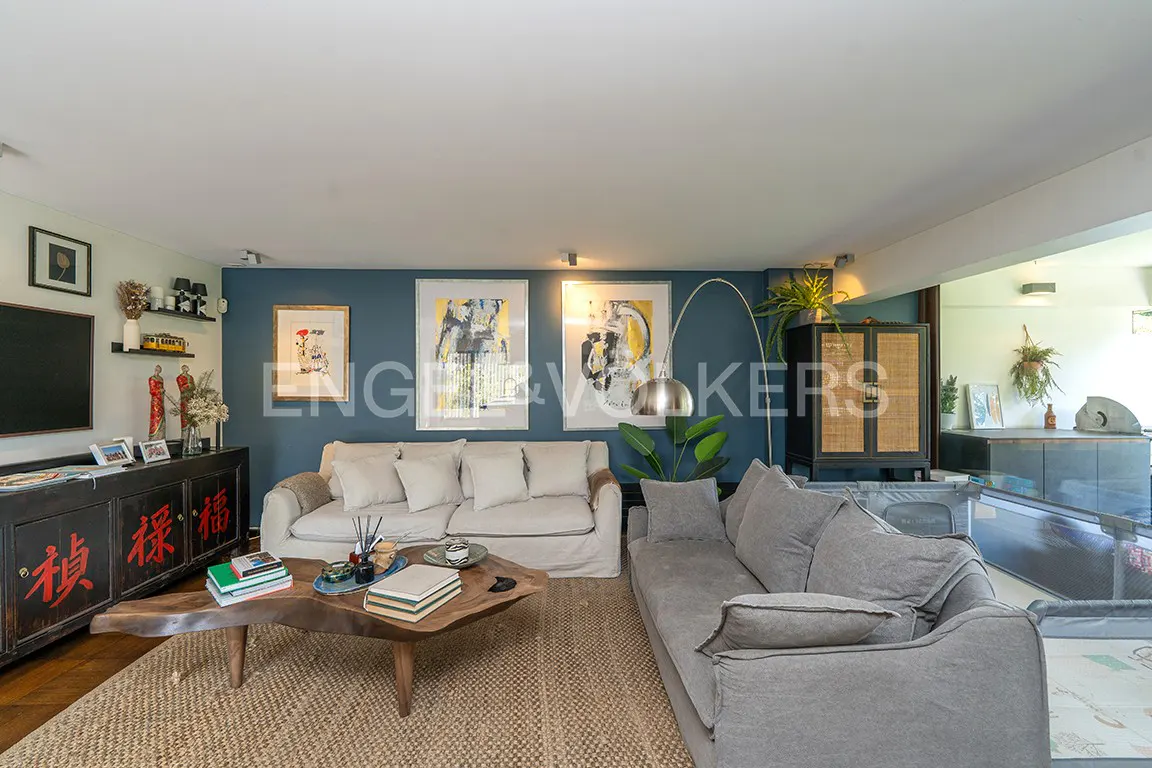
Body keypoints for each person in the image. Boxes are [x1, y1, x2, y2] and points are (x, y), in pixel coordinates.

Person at [148, 366, 165, 441]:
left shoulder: (161, 379)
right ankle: (154, 439)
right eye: (157, 369)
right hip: (155, 402)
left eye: (159, 369)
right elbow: (152, 391)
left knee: (162, 418)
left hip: (161, 400)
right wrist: (159, 390)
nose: (158, 370)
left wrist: (162, 391)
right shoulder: (152, 378)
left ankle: (161, 438)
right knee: (155, 418)